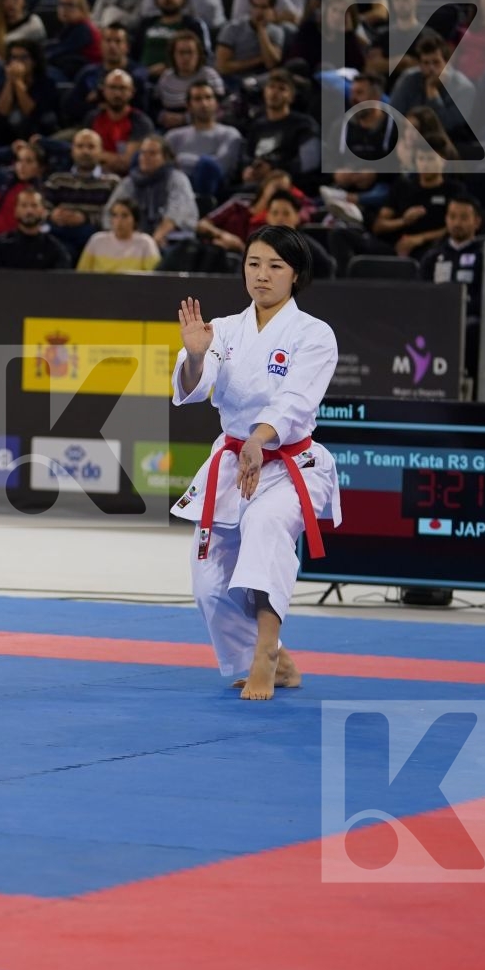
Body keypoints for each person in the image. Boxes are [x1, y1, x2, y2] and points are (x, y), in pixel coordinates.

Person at [172, 225, 341, 701]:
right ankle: (277, 658)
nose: (262, 275)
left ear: (296, 275)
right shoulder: (223, 330)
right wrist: (194, 355)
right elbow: (191, 389)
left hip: (290, 464)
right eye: (253, 264)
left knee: (266, 529)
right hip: (232, 463)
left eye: (275, 266)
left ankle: (265, 654)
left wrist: (261, 440)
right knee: (208, 583)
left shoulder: (314, 335)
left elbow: (295, 401)